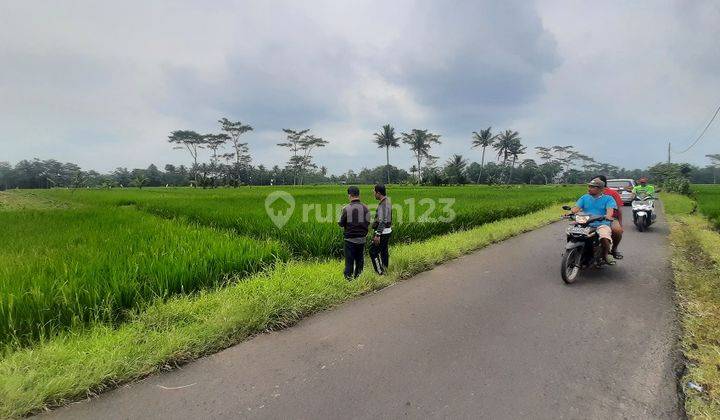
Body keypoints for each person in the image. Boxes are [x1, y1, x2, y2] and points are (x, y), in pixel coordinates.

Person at [570, 177, 618, 265]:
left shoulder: (609, 199)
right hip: (585, 222)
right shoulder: (584, 197)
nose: (589, 188)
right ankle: (572, 251)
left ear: (601, 189)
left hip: (601, 223)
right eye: (589, 186)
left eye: (593, 187)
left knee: (604, 237)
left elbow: (610, 211)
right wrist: (570, 213)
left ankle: (606, 254)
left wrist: (607, 216)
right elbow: (576, 208)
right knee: (570, 231)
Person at [338, 186, 370, 280]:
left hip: (350, 240)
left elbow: (340, 223)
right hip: (362, 239)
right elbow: (368, 222)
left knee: (349, 262)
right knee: (360, 260)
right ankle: (358, 279)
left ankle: (348, 281)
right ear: (359, 195)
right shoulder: (366, 208)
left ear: (349, 195)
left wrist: (341, 212)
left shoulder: (346, 208)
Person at [595, 175, 624, 260]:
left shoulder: (613, 194)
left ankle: (614, 249)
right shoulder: (590, 193)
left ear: (603, 184)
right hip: (592, 217)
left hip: (610, 218)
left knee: (617, 230)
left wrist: (620, 223)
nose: (594, 185)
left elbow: (619, 209)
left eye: (597, 182)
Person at [369, 184, 392, 275]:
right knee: (384, 251)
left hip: (382, 232)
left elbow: (383, 221)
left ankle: (380, 273)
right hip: (386, 231)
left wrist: (378, 234)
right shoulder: (387, 201)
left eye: (374, 192)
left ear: (378, 193)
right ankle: (385, 270)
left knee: (373, 252)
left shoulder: (384, 204)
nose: (373, 194)